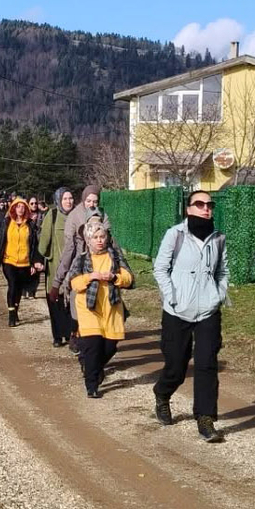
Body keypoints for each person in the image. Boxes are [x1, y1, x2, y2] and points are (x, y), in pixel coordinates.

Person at [151, 190, 229, 443]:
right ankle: (162, 393)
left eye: (209, 204)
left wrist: (217, 295)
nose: (206, 208)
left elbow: (223, 271)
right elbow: (160, 269)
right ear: (188, 209)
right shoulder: (175, 235)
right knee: (176, 365)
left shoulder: (218, 238)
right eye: (200, 204)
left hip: (208, 311)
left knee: (207, 363)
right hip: (177, 310)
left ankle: (205, 419)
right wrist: (172, 296)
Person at [66, 221, 133, 398]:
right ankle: (92, 386)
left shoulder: (115, 257)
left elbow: (129, 278)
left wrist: (114, 277)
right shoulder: (81, 259)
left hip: (112, 307)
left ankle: (93, 367)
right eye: (95, 237)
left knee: (110, 346)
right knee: (93, 346)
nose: (99, 240)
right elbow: (74, 283)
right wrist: (90, 277)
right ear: (88, 240)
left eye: (102, 236)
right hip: (89, 308)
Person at [52, 185, 110, 354]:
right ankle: (75, 335)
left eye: (95, 201)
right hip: (80, 264)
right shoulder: (74, 216)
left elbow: (111, 241)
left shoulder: (103, 215)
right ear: (84, 200)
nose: (92, 204)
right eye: (88, 201)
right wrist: (58, 280)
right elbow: (68, 250)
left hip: (101, 264)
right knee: (77, 302)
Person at [0, 198, 45, 327]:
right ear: (13, 208)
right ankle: (11, 315)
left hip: (24, 263)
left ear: (26, 209)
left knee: (19, 288)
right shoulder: (7, 222)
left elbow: (34, 246)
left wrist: (34, 262)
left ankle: (15, 310)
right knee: (12, 285)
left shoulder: (30, 225)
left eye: (23, 207)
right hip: (9, 261)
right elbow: (0, 243)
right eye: (18, 206)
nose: (20, 209)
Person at [38, 187, 76, 347]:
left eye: (71, 198)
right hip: (55, 267)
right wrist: (43, 258)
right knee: (55, 300)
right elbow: (44, 243)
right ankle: (57, 335)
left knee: (72, 301)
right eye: (65, 198)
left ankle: (70, 333)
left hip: (75, 267)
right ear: (59, 200)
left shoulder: (77, 216)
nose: (68, 201)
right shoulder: (52, 215)